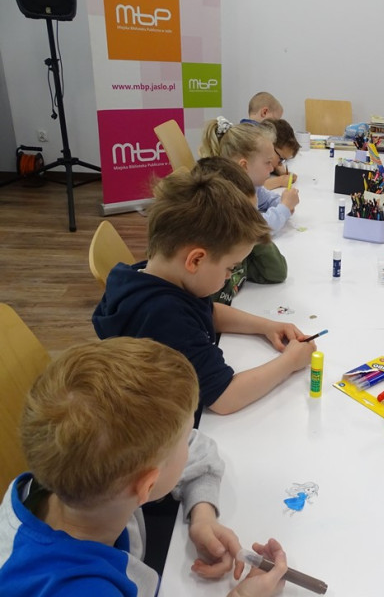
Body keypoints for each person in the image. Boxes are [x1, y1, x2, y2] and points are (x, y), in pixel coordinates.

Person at [0, 337, 288, 597]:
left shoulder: (74, 473)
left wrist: (202, 515)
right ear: (147, 486)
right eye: (181, 441)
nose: (189, 443)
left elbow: (196, 448)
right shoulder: (78, 588)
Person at [92, 168, 316, 426]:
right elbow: (225, 397)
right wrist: (290, 362)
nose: (229, 277)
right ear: (196, 260)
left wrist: (267, 326)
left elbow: (209, 312)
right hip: (165, 426)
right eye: (230, 268)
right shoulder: (165, 316)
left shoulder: (154, 275)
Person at [195, 156, 288, 306]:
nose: (252, 221)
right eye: (245, 217)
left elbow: (277, 273)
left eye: (253, 214)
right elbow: (211, 311)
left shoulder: (241, 249)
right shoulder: (208, 266)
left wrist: (255, 231)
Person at [200, 117, 299, 235]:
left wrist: (284, 202)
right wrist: (284, 208)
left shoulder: (251, 184)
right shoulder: (227, 194)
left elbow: (267, 199)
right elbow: (256, 229)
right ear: (244, 166)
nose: (272, 168)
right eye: (267, 162)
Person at [261, 118, 300, 190]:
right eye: (281, 159)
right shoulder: (249, 159)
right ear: (269, 145)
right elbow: (250, 188)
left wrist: (281, 172)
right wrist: (280, 181)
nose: (280, 165)